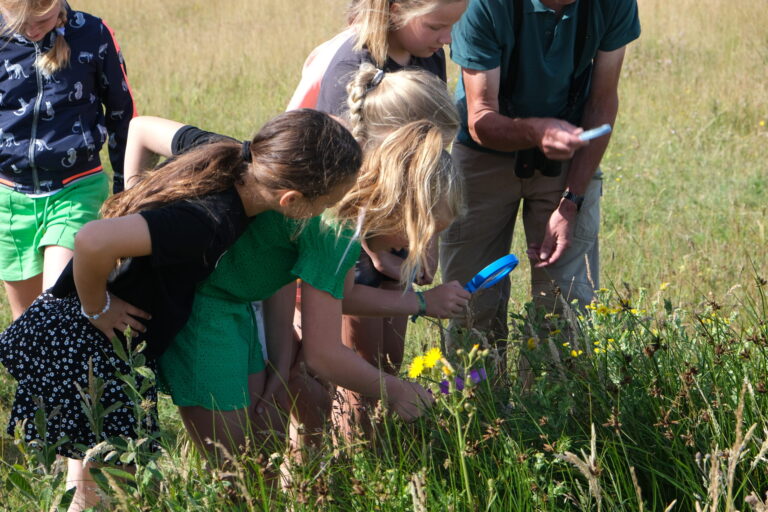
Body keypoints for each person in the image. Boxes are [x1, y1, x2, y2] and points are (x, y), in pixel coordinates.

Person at [0, 109, 362, 512]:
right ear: (291, 201)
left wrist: (137, 196)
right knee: (99, 492)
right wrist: (98, 306)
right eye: (328, 203)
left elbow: (140, 130)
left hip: (97, 337)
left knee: (111, 482)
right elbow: (92, 240)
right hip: (87, 342)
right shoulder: (210, 220)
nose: (330, 212)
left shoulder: (228, 152)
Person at [439, 0, 641, 354]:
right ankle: (477, 406)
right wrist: (536, 131)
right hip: (482, 157)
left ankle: (554, 405)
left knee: (565, 305)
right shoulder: (483, 5)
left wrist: (571, 202)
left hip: (567, 154)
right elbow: (481, 117)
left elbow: (602, 101)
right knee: (471, 304)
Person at [0, 0, 135, 320]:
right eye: (22, 24)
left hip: (74, 192)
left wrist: (125, 190)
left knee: (56, 308)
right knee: (28, 324)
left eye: (42, 21)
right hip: (8, 200)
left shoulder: (93, 34)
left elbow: (123, 116)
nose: (32, 31)